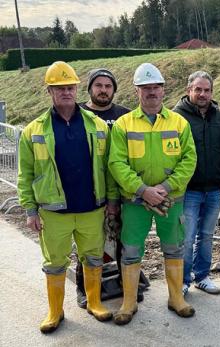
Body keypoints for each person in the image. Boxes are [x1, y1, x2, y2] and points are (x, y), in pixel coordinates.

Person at [17, 61, 117, 333]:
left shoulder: (97, 126)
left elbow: (109, 168)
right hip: (53, 212)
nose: (66, 92)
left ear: (77, 89)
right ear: (49, 91)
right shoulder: (33, 131)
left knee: (94, 258)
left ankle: (94, 302)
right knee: (54, 263)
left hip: (91, 208)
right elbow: (25, 174)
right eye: (59, 88)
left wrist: (111, 201)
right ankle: (55, 311)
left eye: (70, 87)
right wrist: (30, 210)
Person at [108, 63, 197, 325]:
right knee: (131, 250)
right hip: (135, 201)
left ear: (163, 90)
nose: (152, 92)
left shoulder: (179, 123)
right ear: (137, 91)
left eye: (156, 87)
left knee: (174, 247)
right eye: (146, 88)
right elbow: (116, 163)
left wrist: (165, 188)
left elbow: (189, 159)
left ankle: (176, 298)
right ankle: (129, 302)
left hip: (171, 200)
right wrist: (143, 190)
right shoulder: (124, 124)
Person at [73, 68, 133, 309]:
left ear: (114, 90)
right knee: (90, 245)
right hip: (91, 192)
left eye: (108, 86)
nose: (103, 90)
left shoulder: (124, 115)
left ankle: (126, 285)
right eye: (98, 85)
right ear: (90, 88)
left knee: (125, 242)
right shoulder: (79, 114)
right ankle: (84, 288)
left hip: (123, 191)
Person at [173, 71, 220, 296]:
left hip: (214, 189)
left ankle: (202, 276)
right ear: (189, 90)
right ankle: (182, 280)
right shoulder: (176, 117)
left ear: (212, 92)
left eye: (206, 90)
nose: (202, 94)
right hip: (188, 190)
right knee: (186, 238)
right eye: (198, 89)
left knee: (207, 235)